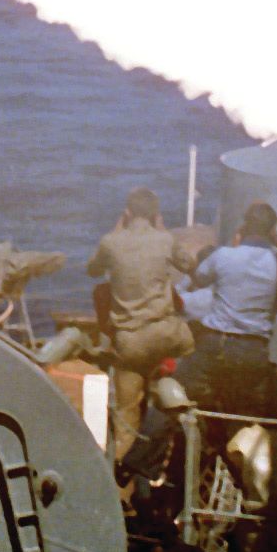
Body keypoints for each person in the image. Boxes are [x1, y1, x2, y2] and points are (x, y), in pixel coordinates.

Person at [119, 200, 277, 485]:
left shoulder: (223, 257)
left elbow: (199, 276)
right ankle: (256, 488)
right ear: (271, 231)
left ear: (243, 227)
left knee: (170, 394)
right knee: (247, 418)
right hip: (252, 353)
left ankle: (141, 463)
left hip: (213, 348)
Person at [87, 187, 194, 460]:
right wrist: (164, 232)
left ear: (127, 213)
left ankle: (119, 470)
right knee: (192, 372)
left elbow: (93, 270)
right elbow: (190, 264)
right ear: (156, 214)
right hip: (169, 336)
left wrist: (115, 231)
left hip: (131, 342)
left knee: (126, 415)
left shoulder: (111, 242)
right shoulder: (165, 239)